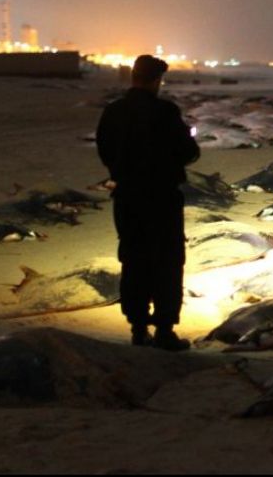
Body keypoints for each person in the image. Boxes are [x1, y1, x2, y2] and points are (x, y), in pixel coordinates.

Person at [96, 55, 200, 351]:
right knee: (167, 261)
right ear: (156, 81)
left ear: (133, 77)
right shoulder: (166, 111)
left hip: (127, 197)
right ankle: (165, 329)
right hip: (162, 198)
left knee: (133, 258)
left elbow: (104, 150)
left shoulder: (113, 112)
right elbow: (188, 152)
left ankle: (138, 328)